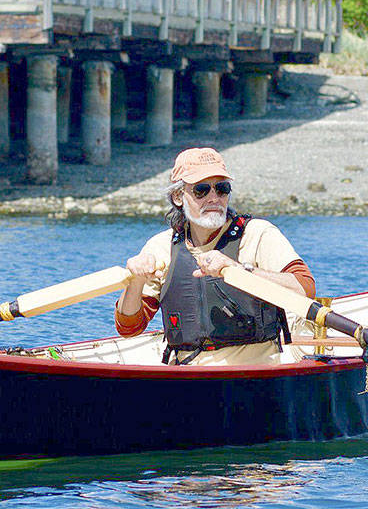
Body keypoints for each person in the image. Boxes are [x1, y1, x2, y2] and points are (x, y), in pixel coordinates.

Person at [115, 147, 316, 365]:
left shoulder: (258, 234)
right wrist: (135, 281)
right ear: (178, 197)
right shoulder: (161, 246)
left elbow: (304, 289)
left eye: (222, 189)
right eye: (201, 190)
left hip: (254, 374)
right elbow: (129, 327)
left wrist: (238, 269)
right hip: (187, 377)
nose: (214, 198)